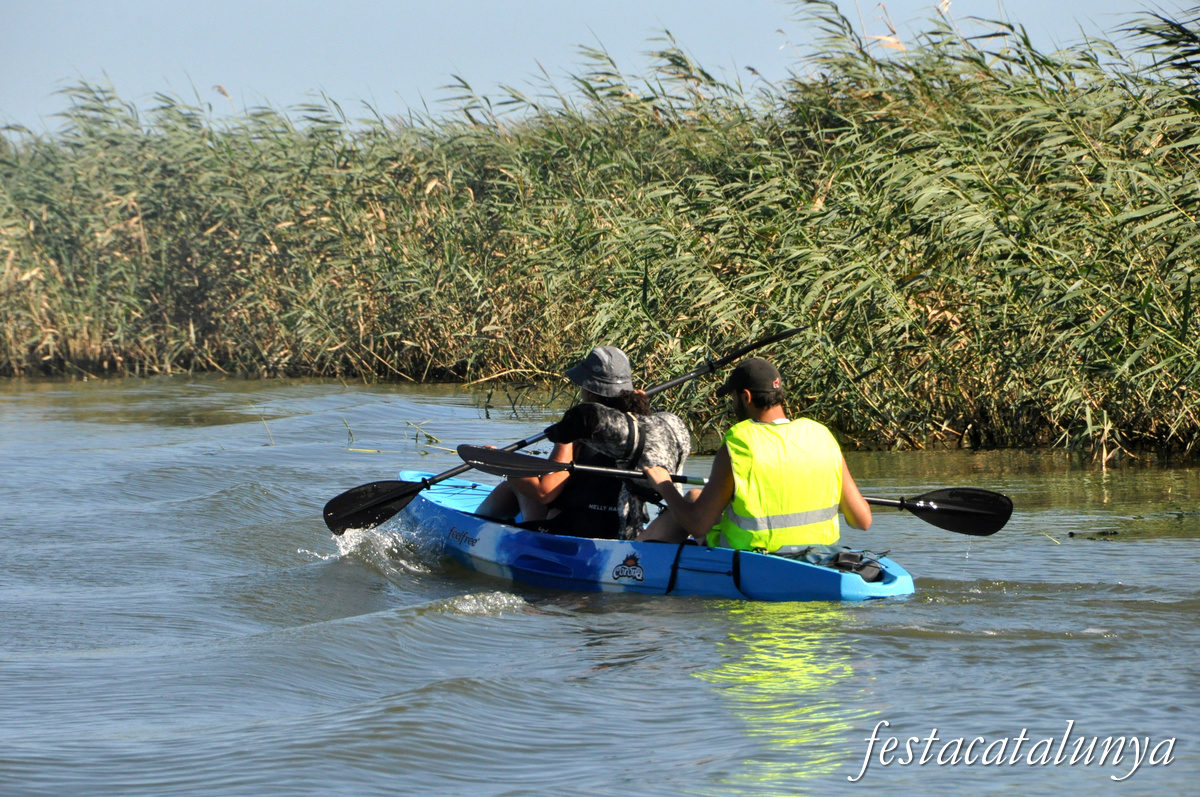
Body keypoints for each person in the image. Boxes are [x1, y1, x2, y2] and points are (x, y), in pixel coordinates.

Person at [637, 357, 871, 550]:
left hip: (752, 563)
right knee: (698, 497)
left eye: (733, 397)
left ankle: (629, 563)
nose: (733, 404)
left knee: (690, 501)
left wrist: (664, 485)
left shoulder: (740, 443)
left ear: (746, 397)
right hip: (819, 559)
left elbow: (698, 525)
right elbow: (862, 520)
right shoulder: (822, 436)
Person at [475, 345, 690, 540]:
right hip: (621, 529)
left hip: (575, 531)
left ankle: (474, 531)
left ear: (588, 391)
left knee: (513, 486)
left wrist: (501, 465)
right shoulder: (640, 426)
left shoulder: (578, 427)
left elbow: (545, 491)